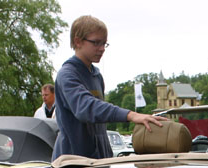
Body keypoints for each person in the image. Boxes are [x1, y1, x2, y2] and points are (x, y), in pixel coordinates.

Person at [52, 15, 166, 159]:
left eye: (104, 43)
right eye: (96, 43)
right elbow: (86, 108)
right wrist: (131, 115)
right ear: (78, 41)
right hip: (73, 162)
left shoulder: (96, 76)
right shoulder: (67, 74)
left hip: (99, 160)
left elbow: (100, 120)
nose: (102, 49)